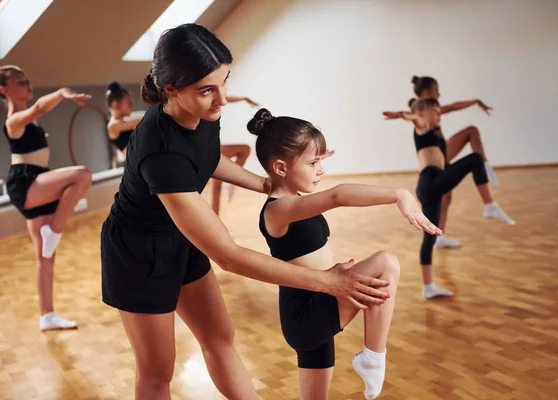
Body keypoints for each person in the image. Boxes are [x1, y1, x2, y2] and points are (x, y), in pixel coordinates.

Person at [100, 24, 390, 400]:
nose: (222, 99)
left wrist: (263, 183)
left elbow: (204, 158)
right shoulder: (161, 152)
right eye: (207, 90)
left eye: (224, 82)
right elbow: (229, 256)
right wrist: (329, 282)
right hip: (139, 255)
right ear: (170, 89)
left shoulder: (202, 112)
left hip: (178, 237)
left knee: (220, 338)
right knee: (158, 371)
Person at [249, 108, 441, 399]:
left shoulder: (296, 201)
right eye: (313, 163)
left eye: (321, 161)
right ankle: (373, 357)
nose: (321, 170)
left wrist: (313, 156)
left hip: (321, 299)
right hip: (305, 314)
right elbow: (339, 196)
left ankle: (371, 358)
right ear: (280, 168)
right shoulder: (278, 210)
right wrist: (399, 194)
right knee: (385, 264)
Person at [383, 98, 514, 299]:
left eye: (438, 112)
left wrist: (474, 102)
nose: (438, 115)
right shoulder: (422, 126)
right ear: (423, 113)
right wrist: (401, 114)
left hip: (430, 186)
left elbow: (450, 107)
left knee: (429, 238)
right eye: (435, 112)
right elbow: (415, 118)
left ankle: (428, 288)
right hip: (431, 181)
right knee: (476, 159)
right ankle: (489, 205)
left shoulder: (433, 129)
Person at [0, 65, 92, 330]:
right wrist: (61, 93)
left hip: (39, 180)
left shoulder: (30, 120)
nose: (27, 85)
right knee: (82, 175)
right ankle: (55, 229)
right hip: (26, 182)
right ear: (4, 90)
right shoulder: (14, 121)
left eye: (27, 80)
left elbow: (37, 111)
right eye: (20, 82)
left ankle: (47, 316)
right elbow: (39, 108)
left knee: (44, 257)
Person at [410, 75, 500, 248]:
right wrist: (474, 102)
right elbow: (450, 107)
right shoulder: (421, 110)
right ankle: (484, 167)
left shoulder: (429, 108)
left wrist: (474, 102)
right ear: (427, 92)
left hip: (441, 153)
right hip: (437, 157)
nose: (439, 94)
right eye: (436, 90)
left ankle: (438, 235)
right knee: (471, 131)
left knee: (446, 195)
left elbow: (451, 107)